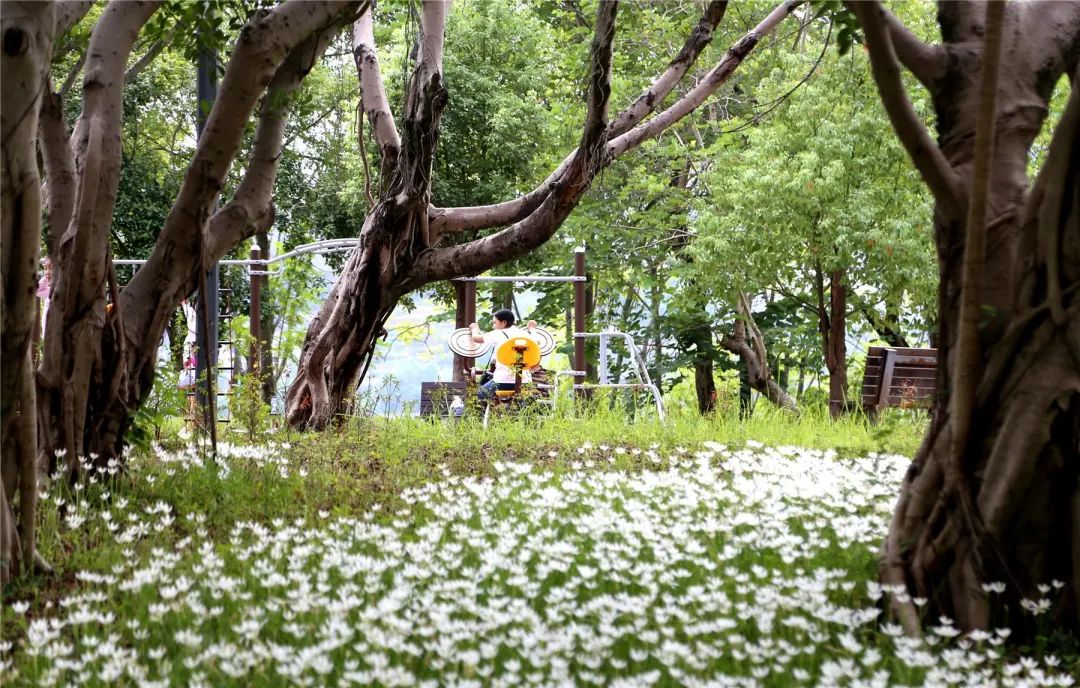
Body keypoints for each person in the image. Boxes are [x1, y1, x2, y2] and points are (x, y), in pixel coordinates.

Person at [469, 309, 537, 400]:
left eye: (495, 323)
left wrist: (474, 329)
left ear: (503, 323)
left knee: (480, 394)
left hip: (502, 383)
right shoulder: (525, 335)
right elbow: (537, 342)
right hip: (525, 383)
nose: (493, 326)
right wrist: (532, 328)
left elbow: (476, 339)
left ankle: (494, 411)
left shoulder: (497, 333)